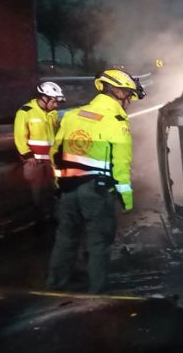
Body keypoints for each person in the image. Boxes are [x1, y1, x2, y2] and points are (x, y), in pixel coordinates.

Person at [46, 69, 144, 293]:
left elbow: (55, 153)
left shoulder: (72, 116)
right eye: (128, 95)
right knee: (98, 243)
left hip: (68, 190)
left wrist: (60, 183)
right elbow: (120, 166)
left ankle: (53, 288)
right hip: (97, 193)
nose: (129, 101)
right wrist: (127, 200)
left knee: (66, 239)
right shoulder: (116, 121)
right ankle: (96, 295)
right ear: (117, 91)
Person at [14, 81, 65, 219]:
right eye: (54, 101)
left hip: (51, 159)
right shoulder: (26, 112)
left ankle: (54, 214)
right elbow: (19, 136)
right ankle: (38, 217)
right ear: (44, 98)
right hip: (34, 160)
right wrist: (27, 155)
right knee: (36, 189)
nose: (56, 105)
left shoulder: (52, 113)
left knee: (54, 187)